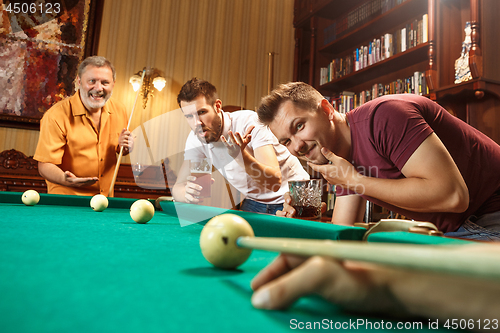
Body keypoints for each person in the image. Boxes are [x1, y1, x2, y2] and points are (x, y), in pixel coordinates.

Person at [257, 82, 500, 241]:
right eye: (286, 142)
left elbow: (453, 196)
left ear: (326, 109)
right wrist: (302, 225)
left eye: (299, 126)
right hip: (458, 228)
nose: (297, 146)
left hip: (489, 214)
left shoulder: (385, 116)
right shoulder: (339, 158)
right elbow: (343, 231)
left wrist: (355, 180)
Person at [172, 78, 309, 214]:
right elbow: (179, 187)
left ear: (217, 106)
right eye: (189, 116)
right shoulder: (197, 139)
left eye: (202, 112)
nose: (197, 123)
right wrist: (186, 195)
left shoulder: (249, 122)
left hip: (293, 194)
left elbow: (273, 182)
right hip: (255, 201)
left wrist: (239, 156)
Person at [34, 56, 133, 196]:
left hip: (105, 200)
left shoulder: (120, 109)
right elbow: (44, 165)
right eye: (92, 81)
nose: (98, 88)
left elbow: (121, 149)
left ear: (113, 84)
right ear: (79, 81)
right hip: (67, 200)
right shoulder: (55, 115)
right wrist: (66, 180)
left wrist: (128, 146)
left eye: (105, 82)